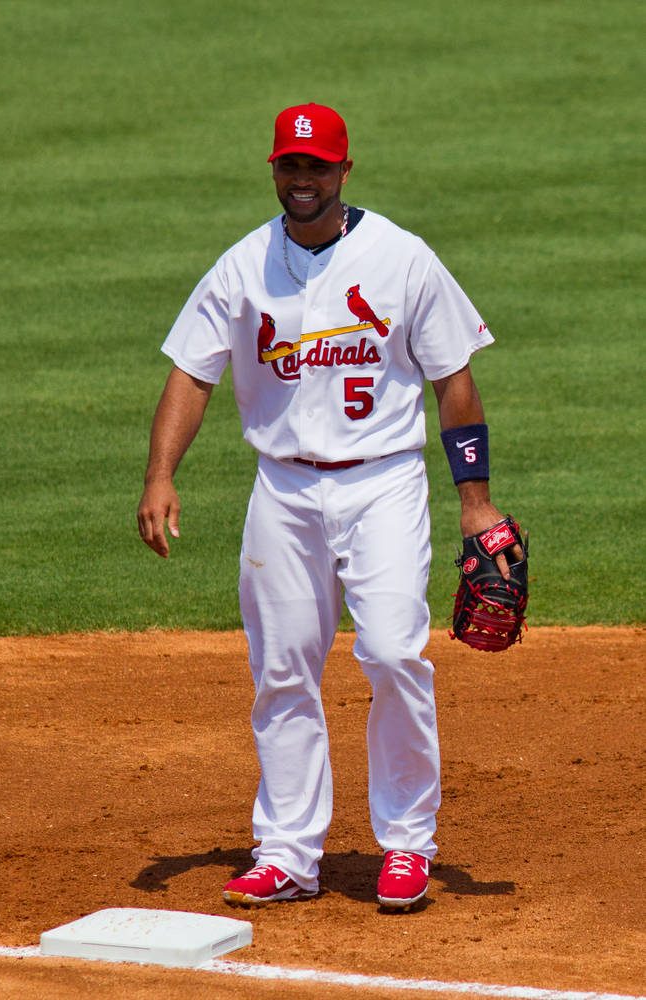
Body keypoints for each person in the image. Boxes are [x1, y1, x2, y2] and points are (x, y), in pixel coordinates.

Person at [137, 103, 519, 911]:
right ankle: (285, 853)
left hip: (382, 482)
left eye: (316, 166)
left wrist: (475, 503)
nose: (301, 180)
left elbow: (453, 379)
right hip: (281, 488)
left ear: (344, 171)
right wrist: (160, 476)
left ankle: (408, 845)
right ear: (274, 170)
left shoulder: (403, 259)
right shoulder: (242, 266)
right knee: (280, 669)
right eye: (289, 165)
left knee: (389, 652)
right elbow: (190, 373)